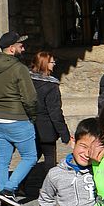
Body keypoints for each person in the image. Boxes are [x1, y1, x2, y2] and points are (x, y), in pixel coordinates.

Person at [0, 30, 38, 206]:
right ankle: (8, 190)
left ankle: (5, 195)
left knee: (3, 160)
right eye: (20, 45)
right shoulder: (19, 69)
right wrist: (32, 117)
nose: (24, 47)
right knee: (30, 157)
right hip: (18, 119)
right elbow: (30, 98)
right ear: (12, 49)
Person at [27, 51, 71, 189]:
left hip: (30, 125)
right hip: (46, 127)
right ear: (45, 64)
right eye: (52, 62)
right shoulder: (51, 86)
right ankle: (51, 188)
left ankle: (19, 184)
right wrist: (65, 134)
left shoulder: (27, 81)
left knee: (31, 158)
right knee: (50, 159)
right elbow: (55, 112)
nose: (54, 65)